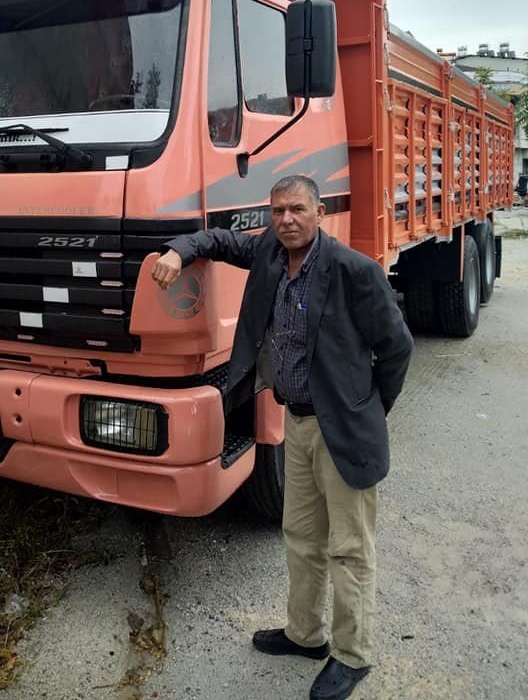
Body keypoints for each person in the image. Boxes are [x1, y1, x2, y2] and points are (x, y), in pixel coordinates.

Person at [152, 175, 413, 700]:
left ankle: (352, 654)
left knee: (349, 548)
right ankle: (305, 634)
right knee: (300, 536)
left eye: (297, 209)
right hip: (295, 420)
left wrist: (366, 410)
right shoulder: (271, 253)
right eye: (277, 211)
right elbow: (219, 240)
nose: (286, 220)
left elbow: (397, 347)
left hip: (344, 429)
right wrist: (178, 252)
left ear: (319, 212)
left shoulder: (353, 271)